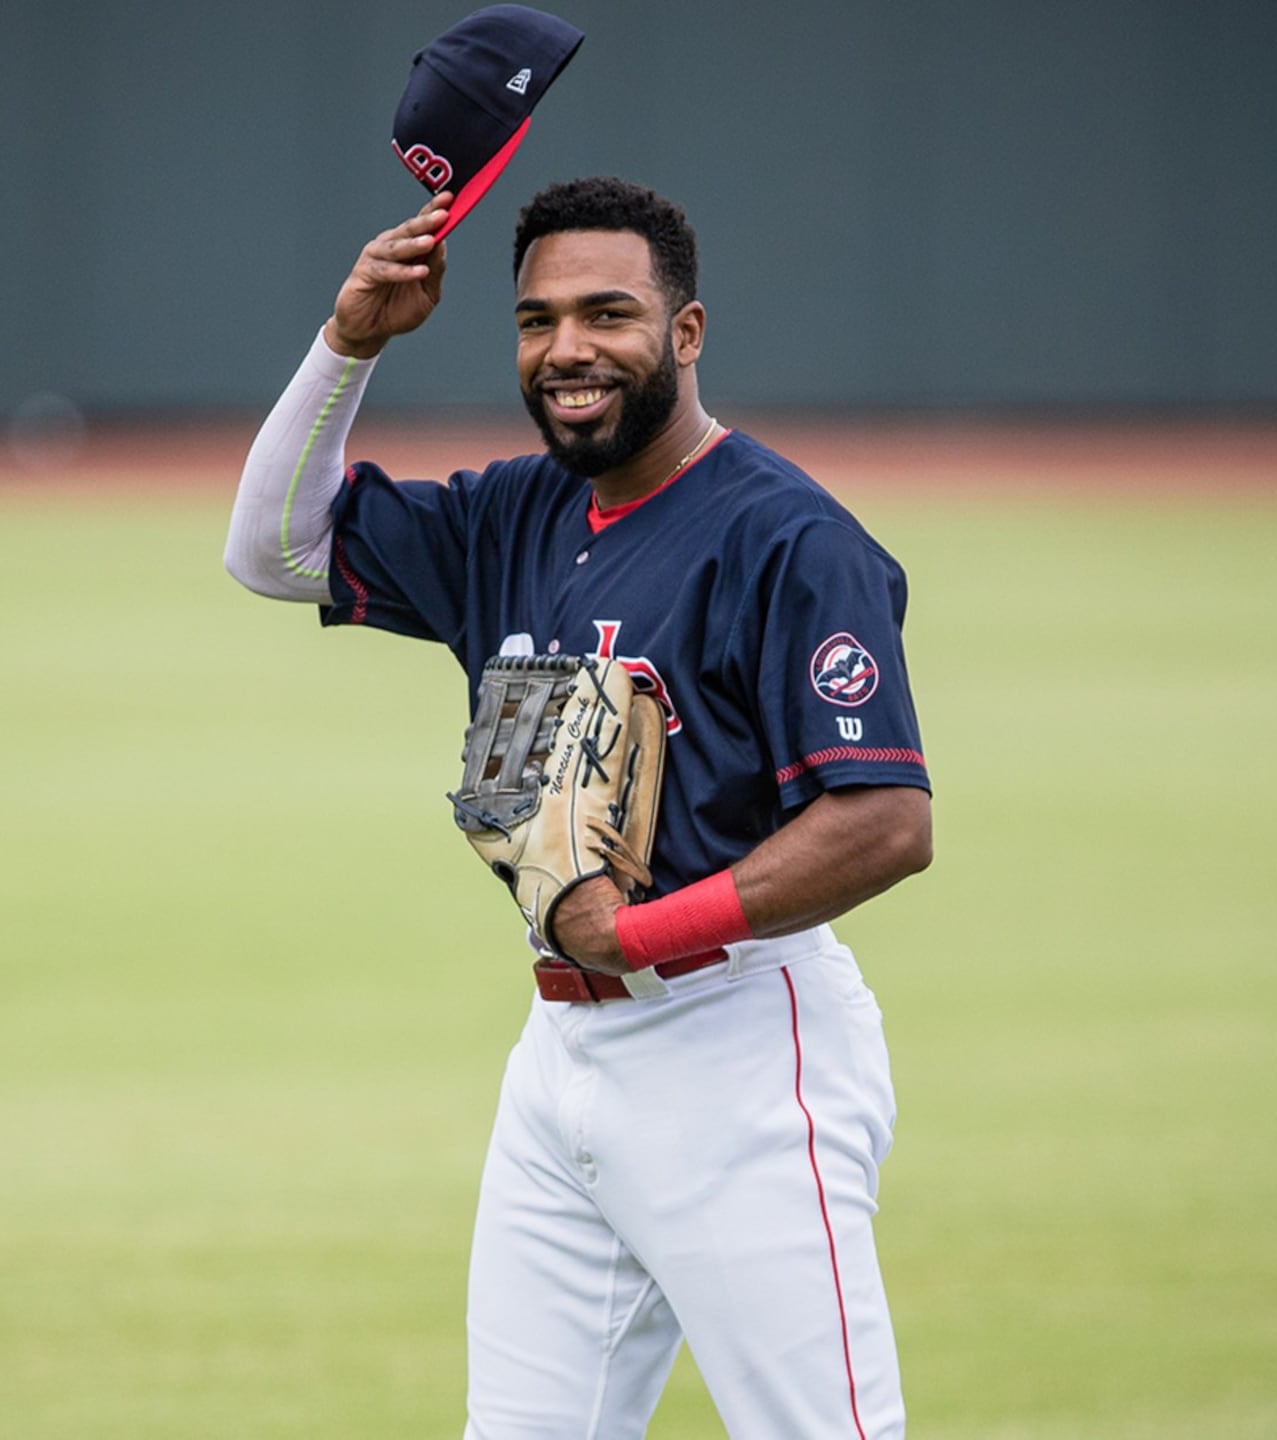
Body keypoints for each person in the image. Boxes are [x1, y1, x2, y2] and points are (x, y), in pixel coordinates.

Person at [224, 176, 932, 1440]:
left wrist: (640, 936)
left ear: (687, 332)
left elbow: (883, 822)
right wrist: (349, 343)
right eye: (537, 320)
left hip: (737, 1050)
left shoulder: (787, 540)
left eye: (607, 314)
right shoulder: (517, 509)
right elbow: (272, 550)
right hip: (557, 1062)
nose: (567, 349)